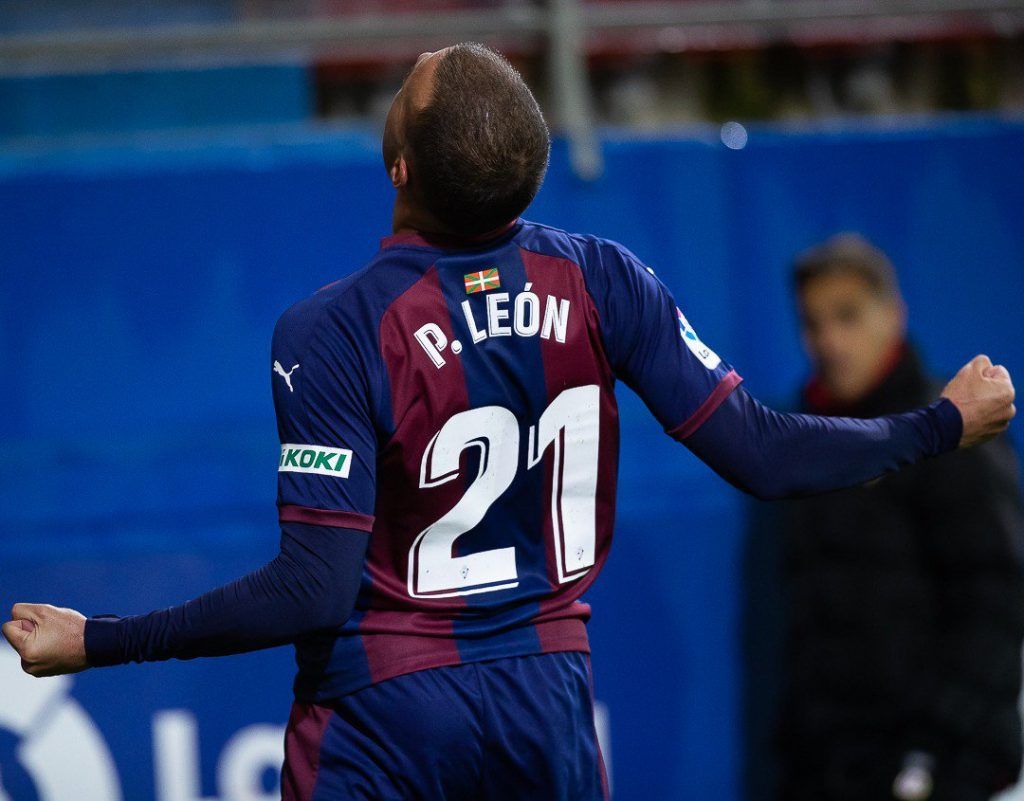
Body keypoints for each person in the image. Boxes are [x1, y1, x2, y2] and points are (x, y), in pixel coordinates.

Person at [1, 44, 1015, 801]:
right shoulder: (603, 279)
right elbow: (758, 447)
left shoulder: (336, 327)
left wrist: (102, 640)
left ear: (400, 166)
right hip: (549, 707)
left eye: (413, 81)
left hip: (384, 714)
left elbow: (310, 591)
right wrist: (936, 422)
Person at [772, 234, 1024, 801]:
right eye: (813, 323)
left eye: (848, 316)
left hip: (931, 766)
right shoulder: (806, 437)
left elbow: (993, 604)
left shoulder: (956, 433)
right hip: (833, 765)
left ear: (895, 313)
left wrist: (939, 756)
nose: (829, 341)